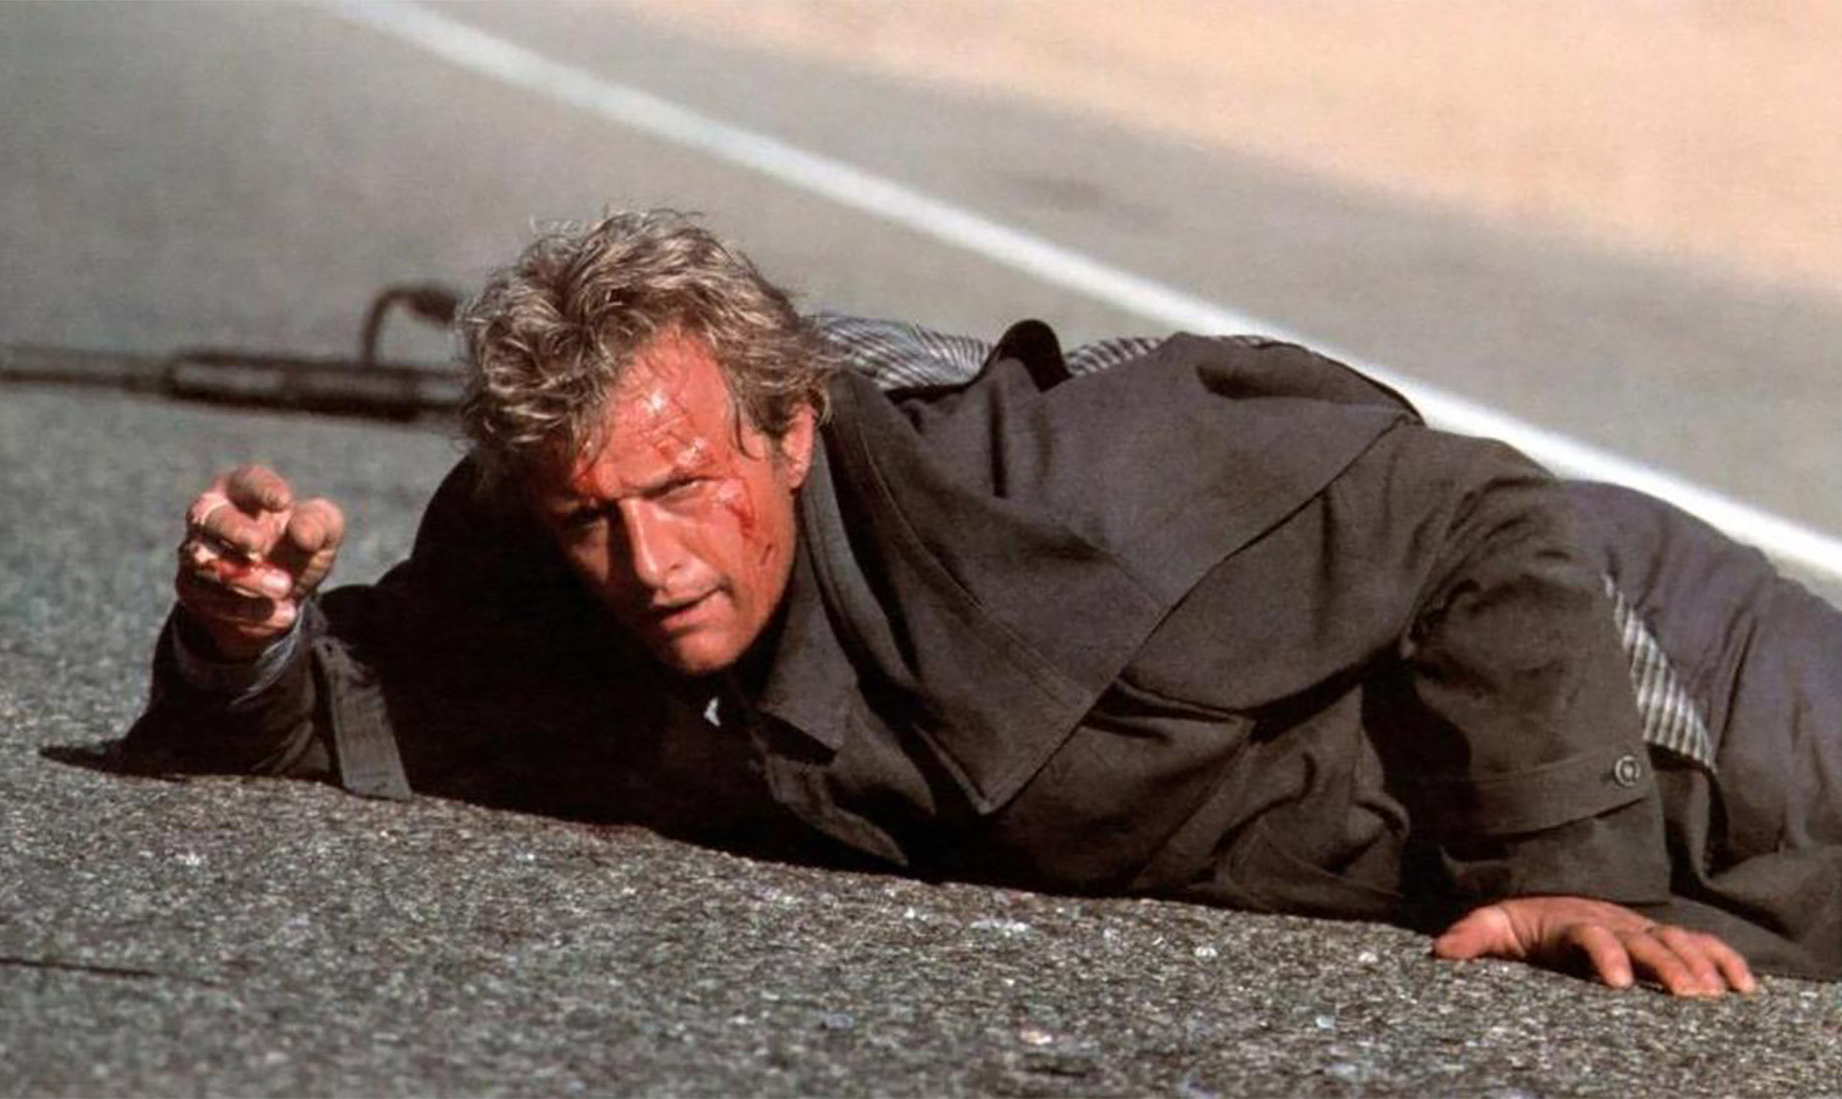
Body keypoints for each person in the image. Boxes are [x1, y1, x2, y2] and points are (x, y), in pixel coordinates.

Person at [123, 210, 1842, 996]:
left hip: (1675, 684)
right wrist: (238, 637)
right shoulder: (567, 567)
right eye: (592, 519)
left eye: (685, 488)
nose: (650, 565)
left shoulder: (1045, 484)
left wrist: (1565, 863)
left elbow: (1474, 513)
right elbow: (360, 703)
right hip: (1458, 840)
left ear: (793, 430)